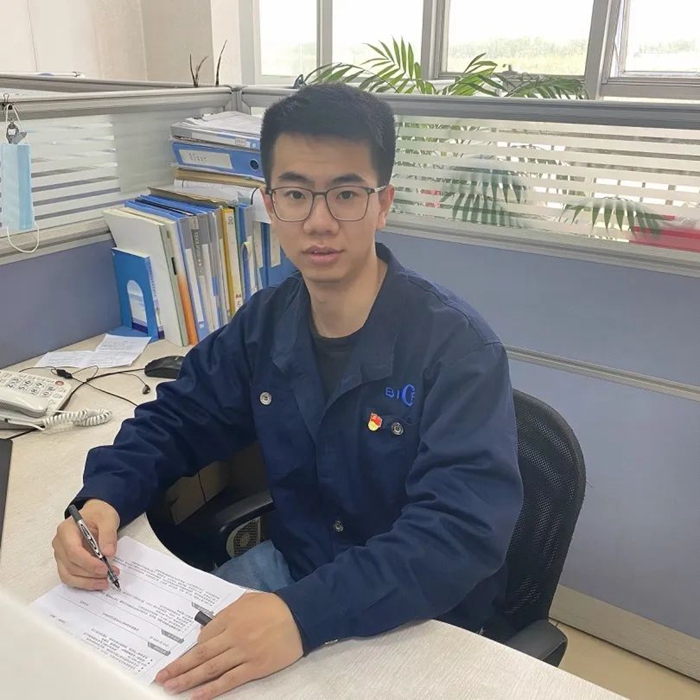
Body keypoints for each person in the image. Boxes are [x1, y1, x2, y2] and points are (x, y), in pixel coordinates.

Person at [52, 83, 523, 699]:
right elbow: (177, 419)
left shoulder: (456, 350)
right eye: (296, 195)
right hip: (293, 570)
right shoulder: (266, 323)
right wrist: (102, 500)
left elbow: (458, 535)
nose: (318, 222)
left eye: (346, 194)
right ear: (270, 204)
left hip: (419, 613)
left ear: (383, 204)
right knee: (128, 676)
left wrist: (304, 615)